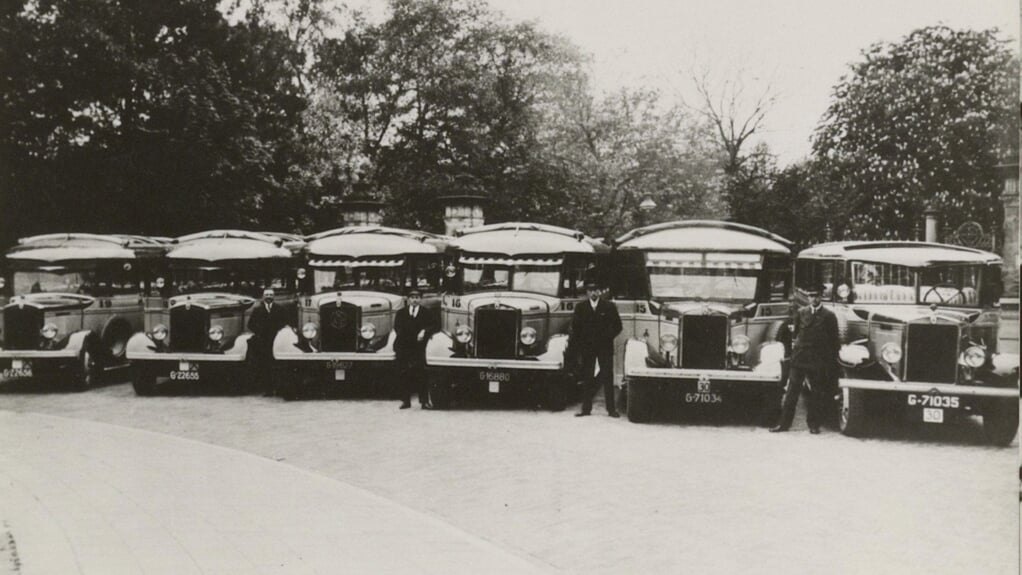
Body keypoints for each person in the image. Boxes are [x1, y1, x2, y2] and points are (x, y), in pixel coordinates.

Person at [771, 284, 840, 434]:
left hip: (817, 360)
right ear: (808, 297)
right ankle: (783, 424)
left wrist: (829, 361)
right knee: (791, 393)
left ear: (821, 297)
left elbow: (834, 341)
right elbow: (795, 336)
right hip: (800, 358)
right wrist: (792, 355)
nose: (813, 299)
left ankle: (813, 425)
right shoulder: (801, 313)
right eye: (811, 296)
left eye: (816, 296)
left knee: (816, 393)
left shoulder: (829, 316)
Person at [571, 279, 623, 418]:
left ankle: (611, 410)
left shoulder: (609, 306)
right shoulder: (581, 308)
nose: (593, 293)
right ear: (587, 292)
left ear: (600, 292)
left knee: (607, 376)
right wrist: (583, 342)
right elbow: (575, 328)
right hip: (588, 348)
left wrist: (607, 337)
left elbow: (618, 326)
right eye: (590, 290)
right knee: (587, 377)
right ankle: (586, 409)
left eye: (596, 290)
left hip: (604, 347)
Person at [395, 289, 437, 409]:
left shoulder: (426, 312)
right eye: (412, 297)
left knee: (421, 374)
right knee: (404, 374)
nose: (414, 300)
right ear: (408, 299)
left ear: (420, 299)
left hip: (419, 347)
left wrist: (424, 331)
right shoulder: (401, 313)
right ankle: (405, 401)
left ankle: (424, 401)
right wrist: (403, 337)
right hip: (404, 347)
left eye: (417, 297)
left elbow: (434, 325)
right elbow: (397, 327)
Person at [248, 288, 292, 395]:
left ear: (274, 296)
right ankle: (267, 389)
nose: (268, 296)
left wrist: (278, 330)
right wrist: (259, 332)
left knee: (276, 364)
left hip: (276, 339)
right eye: (266, 294)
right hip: (262, 341)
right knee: (264, 365)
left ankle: (278, 388)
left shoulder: (279, 309)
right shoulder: (257, 310)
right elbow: (250, 324)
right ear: (263, 296)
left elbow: (285, 321)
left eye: (271, 295)